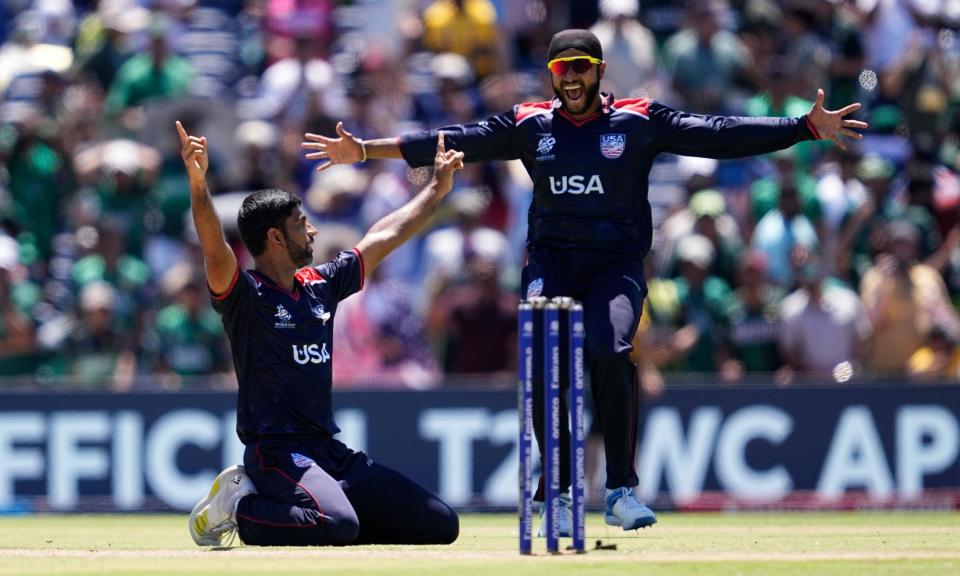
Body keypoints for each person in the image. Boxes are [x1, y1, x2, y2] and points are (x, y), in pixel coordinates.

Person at [301, 28, 867, 534]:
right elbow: (457, 138)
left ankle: (620, 489)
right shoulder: (530, 125)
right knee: (547, 355)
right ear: (552, 77)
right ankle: (562, 490)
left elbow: (717, 133)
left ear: (599, 71)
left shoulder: (639, 120)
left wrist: (801, 128)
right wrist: (365, 150)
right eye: (562, 70)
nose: (572, 79)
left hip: (614, 264)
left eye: (581, 67)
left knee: (608, 349)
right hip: (552, 260)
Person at [178, 121, 463, 547]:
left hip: (328, 451)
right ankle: (238, 505)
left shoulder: (320, 284)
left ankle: (329, 510)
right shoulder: (246, 295)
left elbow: (383, 235)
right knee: (336, 526)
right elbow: (214, 247)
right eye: (300, 223)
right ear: (275, 237)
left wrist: (435, 192)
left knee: (439, 524)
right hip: (275, 454)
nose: (311, 230)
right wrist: (198, 184)